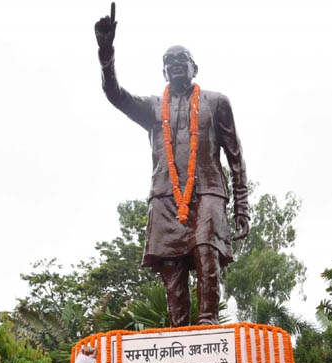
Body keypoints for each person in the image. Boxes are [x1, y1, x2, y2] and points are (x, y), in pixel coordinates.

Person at [94, 5, 250, 326]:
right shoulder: (152, 108)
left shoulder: (217, 102)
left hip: (208, 191)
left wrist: (242, 208)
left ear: (195, 67)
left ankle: (207, 322)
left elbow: (235, 157)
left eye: (182, 60)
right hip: (165, 195)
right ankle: (179, 330)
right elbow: (114, 94)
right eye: (169, 62)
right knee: (171, 264)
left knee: (206, 251)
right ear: (164, 72)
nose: (176, 65)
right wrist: (106, 52)